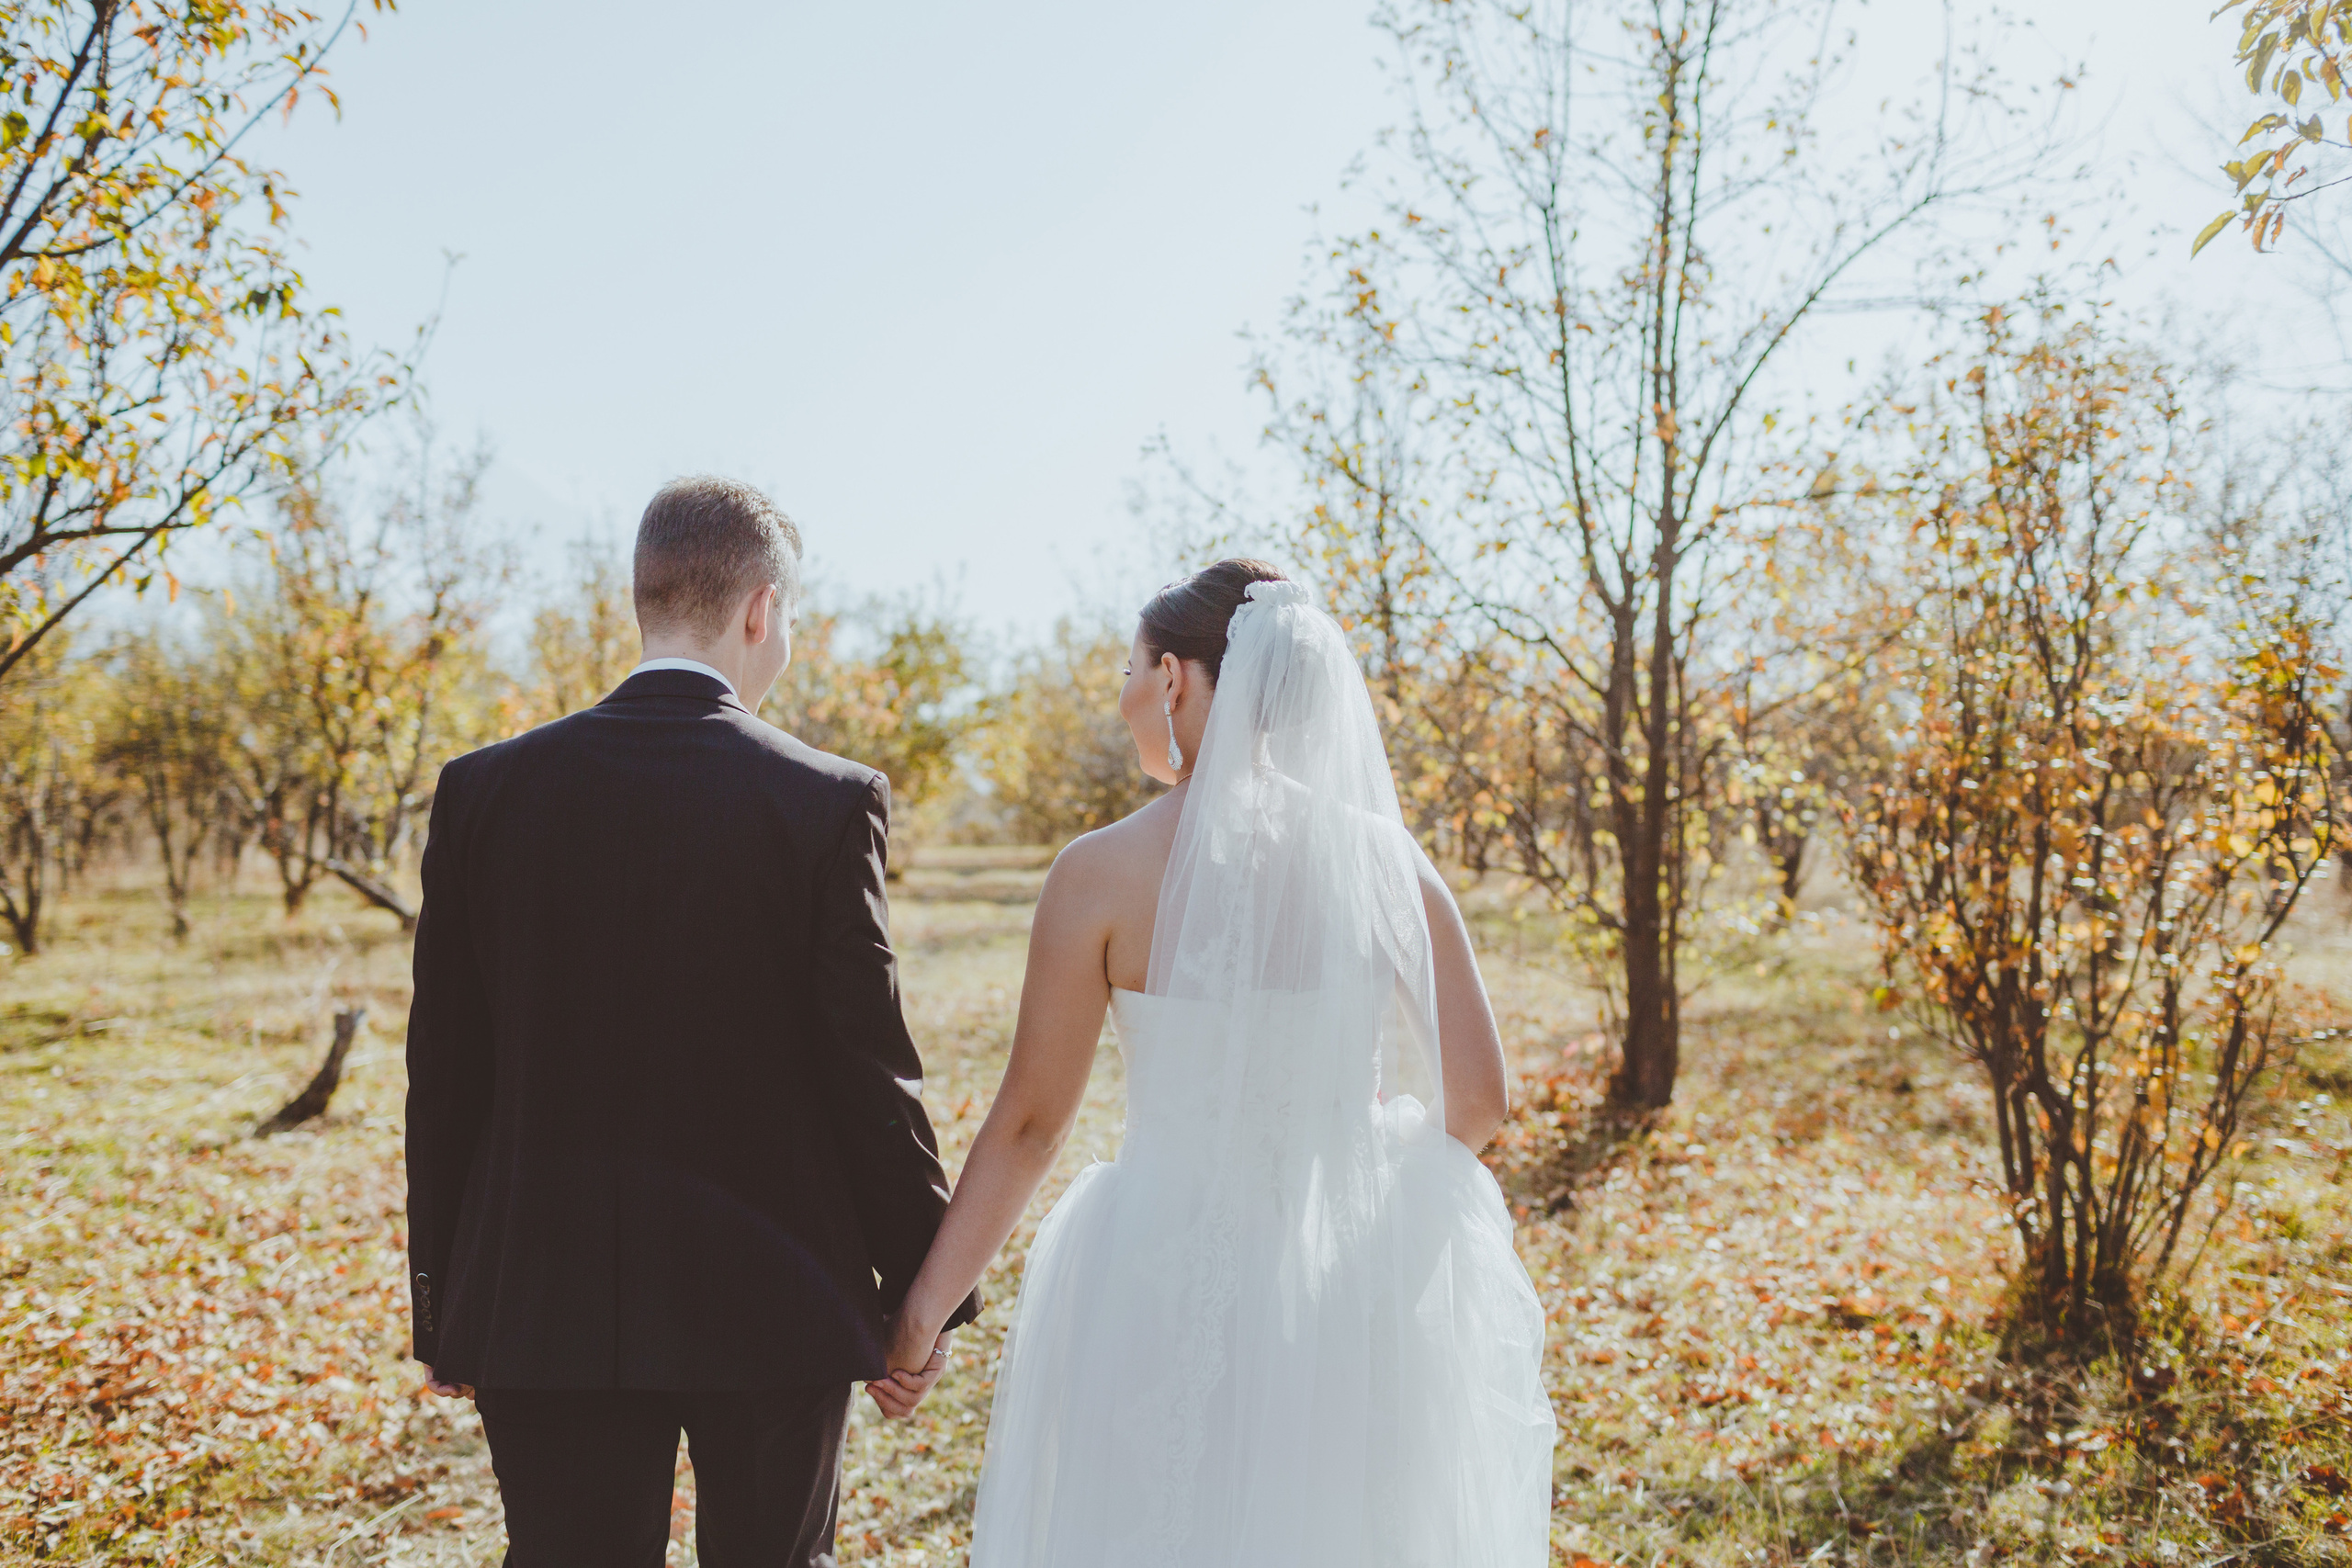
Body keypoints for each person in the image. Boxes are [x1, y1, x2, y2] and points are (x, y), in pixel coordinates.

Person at [868, 560, 1556, 1565]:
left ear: (1178, 683)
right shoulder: (1386, 864)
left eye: (1130, 671)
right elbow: (1481, 1099)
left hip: (1153, 1276)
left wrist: (920, 1312)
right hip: (1336, 1283)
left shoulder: (1097, 874)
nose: (1123, 697)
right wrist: (1363, 1202)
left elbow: (1031, 1123)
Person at [404, 476, 976, 1568]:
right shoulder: (825, 799)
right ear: (763, 609)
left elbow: (447, 1078)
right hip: (773, 1305)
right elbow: (870, 1076)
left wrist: (447, 1305)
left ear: (645, 600)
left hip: (539, 1299)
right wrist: (922, 1298)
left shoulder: (481, 792)